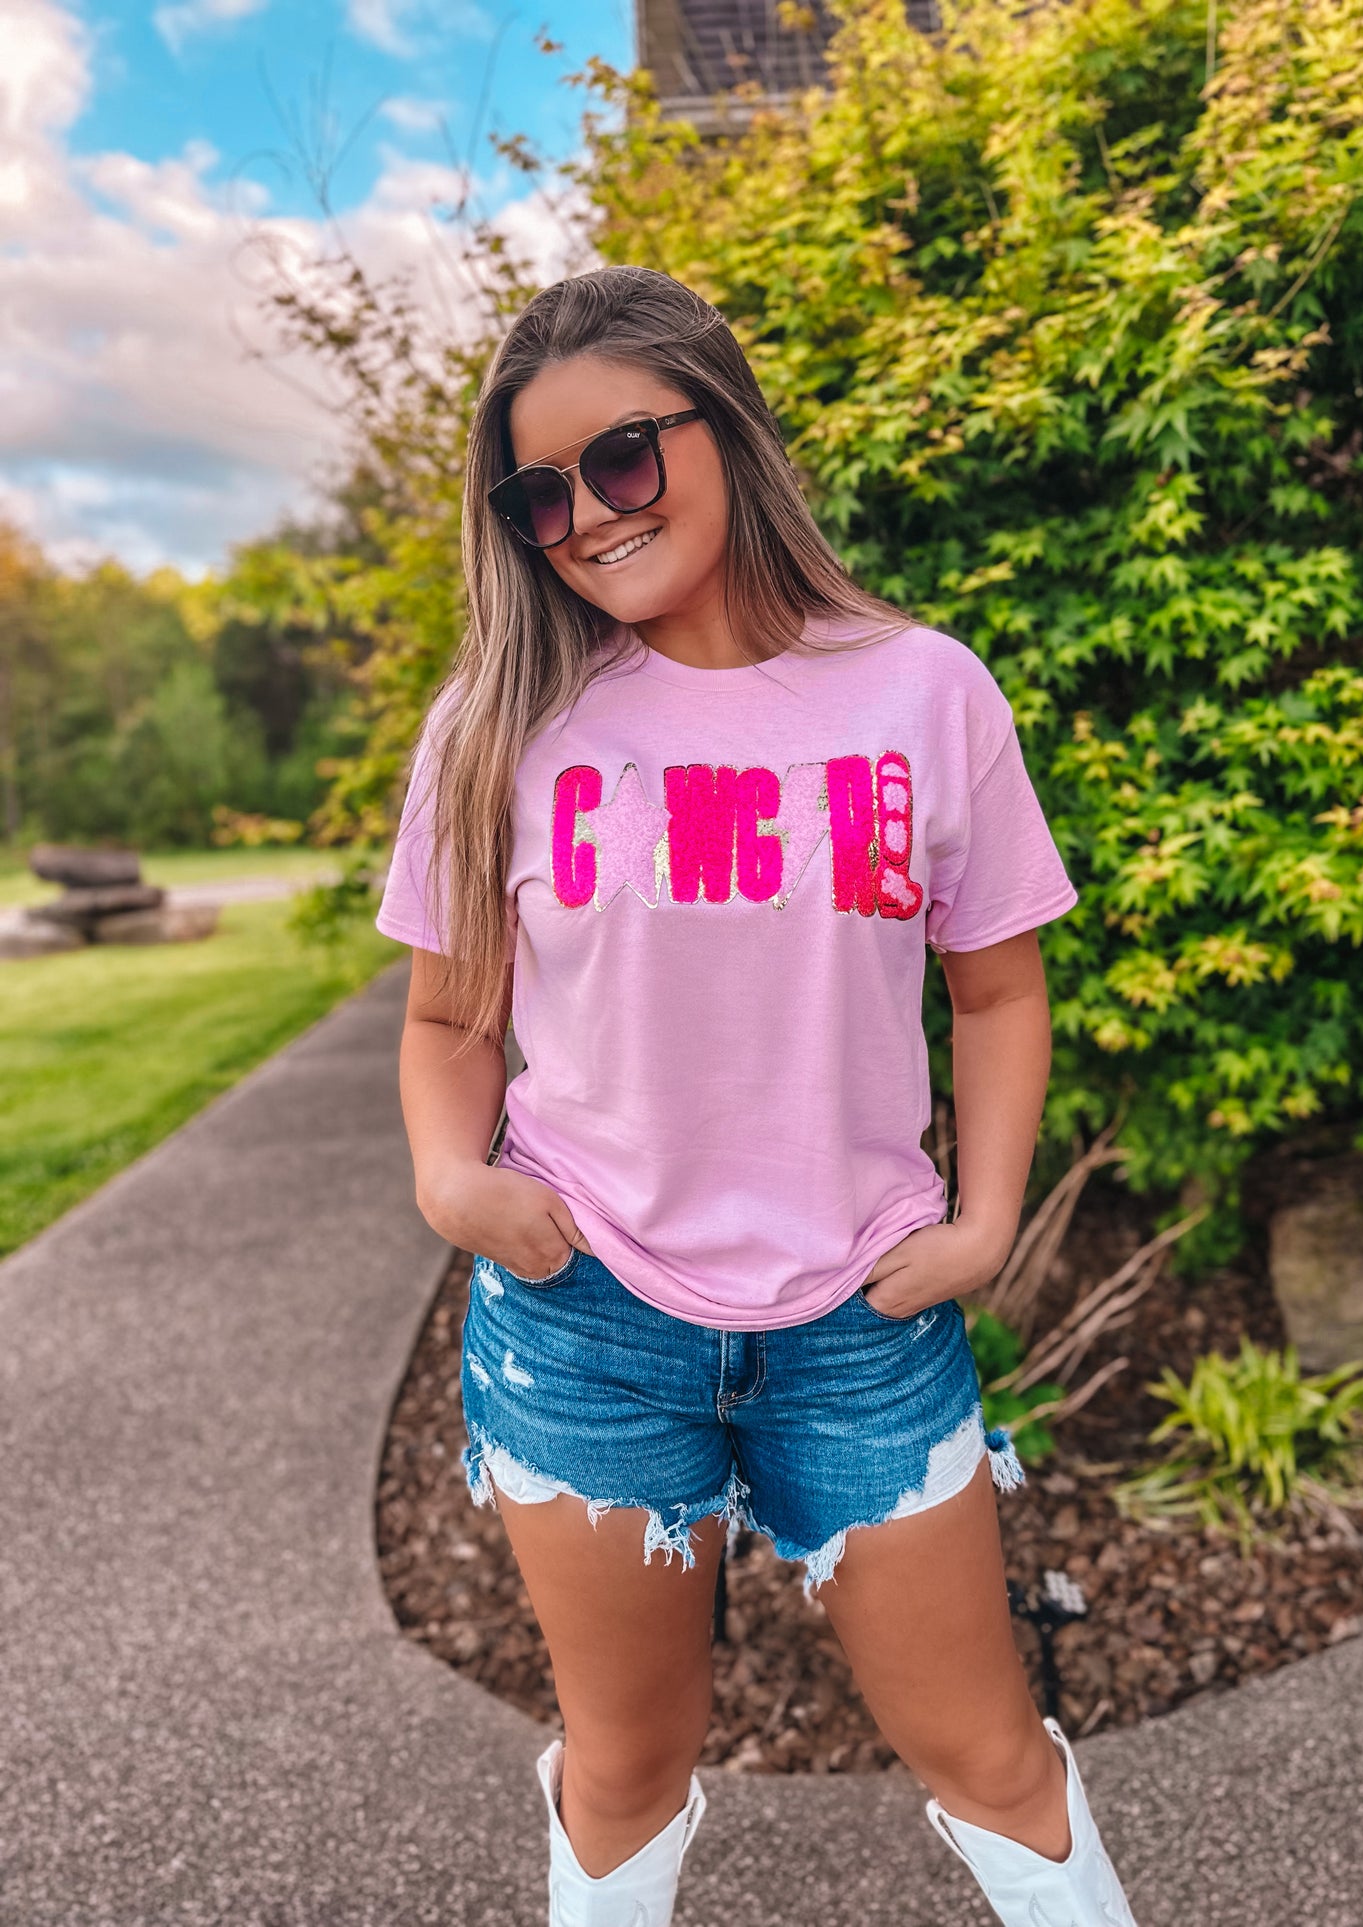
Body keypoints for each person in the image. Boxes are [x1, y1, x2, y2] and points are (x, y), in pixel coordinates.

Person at [375, 264, 1138, 1927]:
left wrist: (988, 1220)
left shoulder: (924, 691)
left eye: (624, 459)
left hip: (858, 1317)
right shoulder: (499, 723)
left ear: (726, 429)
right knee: (626, 1765)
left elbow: (997, 984)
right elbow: (447, 1019)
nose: (585, 517)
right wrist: (454, 1183)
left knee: (992, 1756)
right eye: (538, 495)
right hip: (588, 1320)